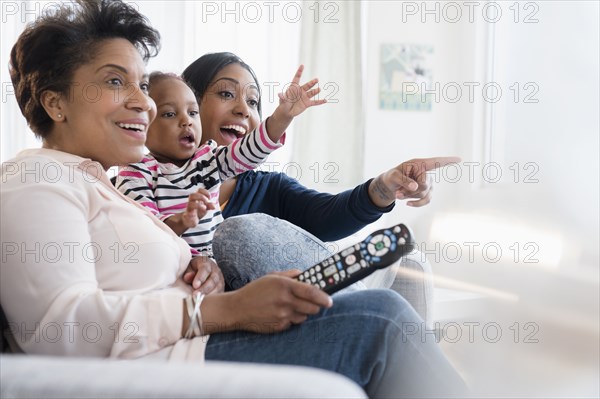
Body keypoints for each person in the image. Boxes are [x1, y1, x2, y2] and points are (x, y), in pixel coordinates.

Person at [1, 1, 467, 397]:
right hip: (172, 358)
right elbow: (61, 329)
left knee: (380, 313)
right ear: (55, 103)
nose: (143, 102)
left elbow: (324, 211)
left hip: (203, 331)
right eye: (115, 81)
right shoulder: (37, 178)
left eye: (142, 84)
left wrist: (209, 276)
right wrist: (227, 307)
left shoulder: (101, 185)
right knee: (378, 321)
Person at [181, 52, 460, 292]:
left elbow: (330, 215)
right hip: (223, 326)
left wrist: (384, 187)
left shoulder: (271, 189)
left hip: (298, 317)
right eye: (226, 94)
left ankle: (356, 296)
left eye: (253, 102)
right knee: (236, 231)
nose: (243, 109)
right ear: (186, 104)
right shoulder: (151, 182)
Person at [115, 69, 324, 256]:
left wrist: (283, 116)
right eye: (169, 114)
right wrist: (183, 220)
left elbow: (250, 150)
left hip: (218, 265)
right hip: (174, 265)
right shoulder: (135, 171)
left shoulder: (209, 159)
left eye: (193, 112)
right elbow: (144, 230)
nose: (186, 121)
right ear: (143, 124)